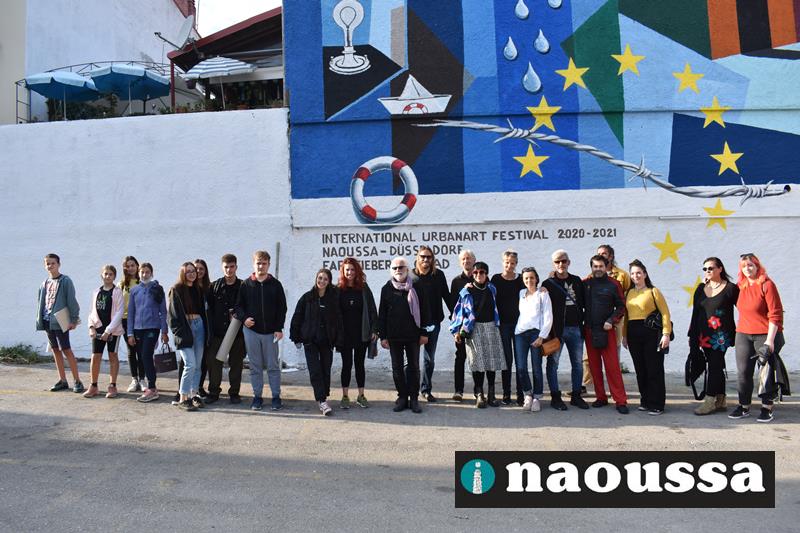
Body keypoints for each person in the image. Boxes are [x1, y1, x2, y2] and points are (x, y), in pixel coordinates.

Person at [730, 254, 784, 423]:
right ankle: (744, 406)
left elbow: (775, 314)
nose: (747, 268)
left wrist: (770, 340)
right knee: (743, 372)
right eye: (744, 266)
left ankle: (767, 408)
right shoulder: (740, 286)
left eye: (750, 265)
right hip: (743, 334)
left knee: (766, 373)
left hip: (765, 334)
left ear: (757, 266)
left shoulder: (767, 285)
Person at [235, 250, 287, 411]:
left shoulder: (275, 284)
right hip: (251, 332)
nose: (261, 266)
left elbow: (282, 308)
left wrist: (279, 328)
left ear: (268, 265)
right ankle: (257, 397)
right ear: (253, 264)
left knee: (273, 366)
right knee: (255, 366)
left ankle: (276, 397)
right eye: (258, 263)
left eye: (264, 263)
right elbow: (238, 306)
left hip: (271, 332)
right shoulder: (246, 284)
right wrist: (244, 319)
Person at [377, 257, 430, 413]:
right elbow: (382, 315)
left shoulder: (417, 286)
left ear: (407, 269)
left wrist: (424, 332)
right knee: (397, 368)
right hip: (394, 336)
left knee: (414, 367)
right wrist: (383, 336)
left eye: (401, 267)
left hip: (413, 335)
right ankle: (402, 397)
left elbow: (425, 310)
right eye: (394, 268)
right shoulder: (386, 288)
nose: (398, 270)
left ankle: (414, 399)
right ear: (391, 270)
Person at [450, 261, 506, 408]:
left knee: (491, 363)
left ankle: (491, 394)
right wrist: (456, 331)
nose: (478, 275)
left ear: (487, 274)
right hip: (474, 330)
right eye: (475, 272)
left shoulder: (492, 289)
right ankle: (479, 393)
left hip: (491, 327)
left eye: (482, 272)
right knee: (477, 363)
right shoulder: (466, 292)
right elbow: (458, 312)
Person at [688, 257, 739, 415]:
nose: (707, 271)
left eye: (710, 268)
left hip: (721, 337)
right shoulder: (700, 288)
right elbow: (695, 314)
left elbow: (745, 308)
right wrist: (692, 335)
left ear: (720, 269)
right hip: (703, 336)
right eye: (705, 269)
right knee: (715, 365)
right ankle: (721, 399)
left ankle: (710, 401)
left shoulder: (730, 288)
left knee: (714, 366)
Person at [291, 268, 344, 416]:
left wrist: (339, 340)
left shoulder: (332, 299)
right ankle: (321, 400)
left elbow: (338, 321)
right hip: (310, 340)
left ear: (329, 282)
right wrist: (295, 336)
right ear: (316, 279)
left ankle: (323, 395)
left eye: (325, 279)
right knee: (315, 370)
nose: (322, 281)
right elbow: (297, 317)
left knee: (325, 369)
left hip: (327, 341)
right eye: (320, 278)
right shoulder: (307, 298)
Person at [621, 260, 671, 415]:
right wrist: (624, 335)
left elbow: (665, 313)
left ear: (645, 274)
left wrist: (666, 334)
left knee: (654, 369)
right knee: (640, 369)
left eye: (639, 273)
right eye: (633, 273)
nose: (636, 276)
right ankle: (645, 400)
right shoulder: (628, 293)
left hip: (651, 333)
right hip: (633, 333)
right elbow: (626, 316)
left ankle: (657, 404)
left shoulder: (653, 291)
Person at [581, 244, 631, 392]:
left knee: (612, 366)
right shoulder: (586, 283)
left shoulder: (617, 280)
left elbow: (623, 304)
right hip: (590, 329)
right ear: (592, 267)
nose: (598, 268)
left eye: (601, 266)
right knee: (593, 365)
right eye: (595, 266)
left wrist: (612, 320)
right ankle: (599, 396)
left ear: (608, 262)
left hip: (609, 328)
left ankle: (619, 398)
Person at [542, 250, 588, 409]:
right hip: (557, 331)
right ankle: (555, 397)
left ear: (569, 262)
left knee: (577, 364)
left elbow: (584, 303)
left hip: (576, 329)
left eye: (563, 261)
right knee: (553, 363)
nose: (561, 264)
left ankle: (576, 395)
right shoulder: (548, 284)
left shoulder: (577, 281)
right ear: (553, 264)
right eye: (557, 261)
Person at [514, 267, 560, 411]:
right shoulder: (521, 293)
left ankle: (537, 397)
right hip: (520, 333)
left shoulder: (542, 294)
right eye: (526, 278)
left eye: (532, 277)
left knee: (536, 367)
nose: (529, 280)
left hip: (536, 334)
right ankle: (528, 394)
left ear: (536, 278)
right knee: (521, 367)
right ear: (523, 280)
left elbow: (548, 316)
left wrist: (542, 336)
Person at [36, 253, 83, 393]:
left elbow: (72, 301)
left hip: (60, 321)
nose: (50, 266)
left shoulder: (65, 281)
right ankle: (62, 380)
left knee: (66, 349)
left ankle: (77, 381)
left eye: (53, 263)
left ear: (59, 264)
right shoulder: (44, 283)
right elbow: (41, 302)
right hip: (47, 321)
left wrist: (74, 319)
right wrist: (39, 319)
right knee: (55, 350)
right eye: (47, 263)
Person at [410, 245, 450, 403]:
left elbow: (446, 295)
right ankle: (411, 391)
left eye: (428, 257)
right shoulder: (411, 276)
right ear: (417, 258)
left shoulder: (438, 275)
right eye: (423, 256)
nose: (425, 259)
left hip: (433, 322)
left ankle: (426, 389)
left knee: (429, 359)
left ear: (432, 259)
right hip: (414, 323)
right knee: (412, 359)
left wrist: (456, 316)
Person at [337, 257, 378, 409]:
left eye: (353, 269)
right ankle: (345, 396)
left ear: (357, 271)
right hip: (344, 335)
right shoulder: (338, 289)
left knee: (360, 365)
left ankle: (361, 395)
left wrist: (374, 330)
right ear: (343, 271)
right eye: (347, 270)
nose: (350, 272)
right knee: (346, 365)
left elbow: (372, 310)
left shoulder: (364, 288)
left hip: (362, 334)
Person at [168, 262, 210, 411]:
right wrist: (179, 333)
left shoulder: (199, 289)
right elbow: (172, 317)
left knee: (198, 365)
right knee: (190, 364)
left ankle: (193, 395)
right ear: (183, 274)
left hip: (199, 326)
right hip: (185, 328)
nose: (192, 274)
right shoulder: (176, 290)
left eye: (193, 271)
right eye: (188, 272)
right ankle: (183, 398)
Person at [205, 254, 246, 404]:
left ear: (236, 267)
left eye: (232, 266)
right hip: (218, 333)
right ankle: (213, 392)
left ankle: (234, 393)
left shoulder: (243, 286)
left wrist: (238, 314)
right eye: (226, 267)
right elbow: (208, 310)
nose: (229, 270)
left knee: (236, 364)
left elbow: (247, 306)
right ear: (222, 268)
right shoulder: (214, 286)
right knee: (214, 363)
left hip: (237, 333)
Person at [126, 263, 169, 403]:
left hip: (153, 328)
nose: (145, 274)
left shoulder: (157, 289)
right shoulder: (134, 290)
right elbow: (131, 313)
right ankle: (151, 385)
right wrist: (130, 333)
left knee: (146, 355)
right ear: (139, 273)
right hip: (138, 329)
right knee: (142, 357)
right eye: (142, 272)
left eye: (147, 272)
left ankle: (152, 388)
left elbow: (163, 311)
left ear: (152, 273)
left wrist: (164, 331)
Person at [490, 249, 525, 405]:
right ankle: (506, 393)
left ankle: (520, 394)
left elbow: (532, 288)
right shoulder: (496, 279)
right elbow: (488, 295)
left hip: (520, 326)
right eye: (507, 262)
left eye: (512, 263)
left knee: (520, 361)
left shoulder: (521, 279)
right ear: (503, 262)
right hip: (503, 325)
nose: (509, 265)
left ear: (516, 264)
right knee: (507, 361)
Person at [85, 265, 124, 399]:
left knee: (113, 355)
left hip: (113, 330)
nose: (108, 276)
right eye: (106, 274)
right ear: (102, 275)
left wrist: (108, 331)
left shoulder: (117, 292)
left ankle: (112, 385)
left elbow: (119, 313)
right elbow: (92, 311)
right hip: (98, 329)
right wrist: (91, 327)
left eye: (110, 274)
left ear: (114, 276)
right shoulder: (96, 292)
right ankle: (93, 386)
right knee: (95, 356)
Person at [449, 249, 475, 401]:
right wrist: (456, 330)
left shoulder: (481, 278)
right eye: (463, 259)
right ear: (460, 262)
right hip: (461, 328)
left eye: (469, 258)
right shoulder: (456, 281)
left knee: (476, 359)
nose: (466, 261)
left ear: (474, 261)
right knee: (460, 357)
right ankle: (458, 391)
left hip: (477, 326)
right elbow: (454, 307)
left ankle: (478, 391)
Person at [119, 256, 144, 393]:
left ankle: (143, 379)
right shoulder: (122, 284)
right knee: (131, 350)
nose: (130, 268)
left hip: (140, 321)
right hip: (125, 320)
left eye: (132, 265)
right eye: (127, 266)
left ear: (137, 266)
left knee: (141, 350)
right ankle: (134, 379)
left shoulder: (142, 282)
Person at [193, 258, 212, 398]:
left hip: (206, 328)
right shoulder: (187, 288)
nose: (199, 271)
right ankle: (183, 389)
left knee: (203, 359)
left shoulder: (209, 288)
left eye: (201, 269)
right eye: (196, 268)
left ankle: (199, 386)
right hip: (191, 327)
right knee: (188, 361)